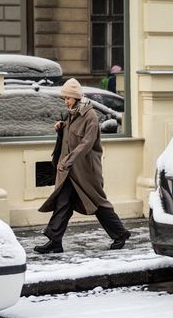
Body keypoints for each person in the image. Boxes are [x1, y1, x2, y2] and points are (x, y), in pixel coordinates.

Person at [34, 78, 131, 254]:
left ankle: (120, 233)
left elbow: (86, 143)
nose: (66, 102)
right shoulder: (71, 114)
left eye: (68, 98)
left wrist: (68, 160)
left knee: (98, 203)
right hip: (70, 171)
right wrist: (62, 127)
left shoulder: (90, 116)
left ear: (77, 98)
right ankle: (55, 241)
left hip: (87, 171)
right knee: (63, 202)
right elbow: (72, 135)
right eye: (64, 98)